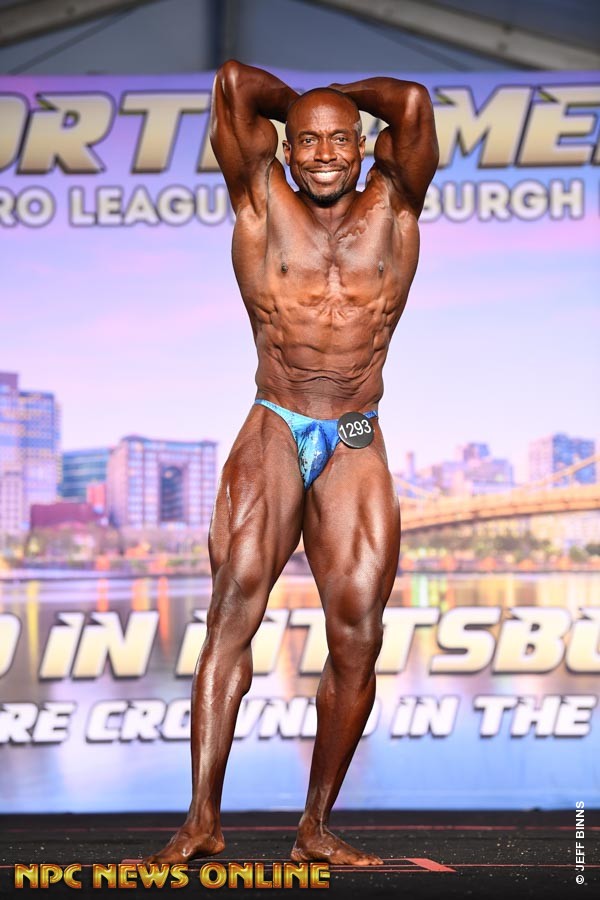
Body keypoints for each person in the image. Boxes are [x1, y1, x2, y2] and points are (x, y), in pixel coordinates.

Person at [145, 60, 438, 867]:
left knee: (358, 634)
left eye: (339, 139)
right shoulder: (259, 198)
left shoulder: (396, 204)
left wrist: (332, 98)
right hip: (276, 421)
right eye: (306, 140)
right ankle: (202, 819)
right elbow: (234, 84)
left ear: (364, 145)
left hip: (355, 432)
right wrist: (306, 105)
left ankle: (315, 826)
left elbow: (413, 103)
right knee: (233, 606)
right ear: (284, 146)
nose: (323, 154)